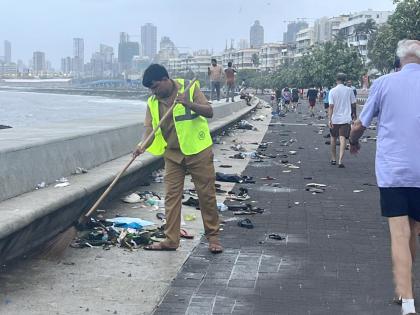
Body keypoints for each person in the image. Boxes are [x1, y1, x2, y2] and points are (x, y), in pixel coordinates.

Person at [349, 39, 420, 315]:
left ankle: (407, 301)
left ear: (399, 60)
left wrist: (354, 141)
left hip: (394, 170)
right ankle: (406, 290)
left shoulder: (384, 83)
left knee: (399, 233)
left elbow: (360, 124)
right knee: (413, 230)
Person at [134, 64, 223, 254]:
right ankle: (171, 240)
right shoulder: (153, 102)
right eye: (151, 89)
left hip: (198, 151)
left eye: (156, 86)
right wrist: (142, 146)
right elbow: (149, 129)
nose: (153, 91)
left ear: (166, 80)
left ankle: (213, 237)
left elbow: (209, 112)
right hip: (173, 155)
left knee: (206, 196)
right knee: (171, 198)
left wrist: (187, 103)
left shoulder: (189, 89)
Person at [328, 73, 356, 168]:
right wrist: (354, 115)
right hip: (346, 118)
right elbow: (353, 104)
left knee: (333, 138)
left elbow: (331, 106)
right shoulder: (349, 90)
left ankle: (333, 159)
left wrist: (329, 119)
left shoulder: (332, 91)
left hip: (335, 118)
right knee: (343, 138)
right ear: (345, 80)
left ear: (336, 80)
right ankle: (340, 160)